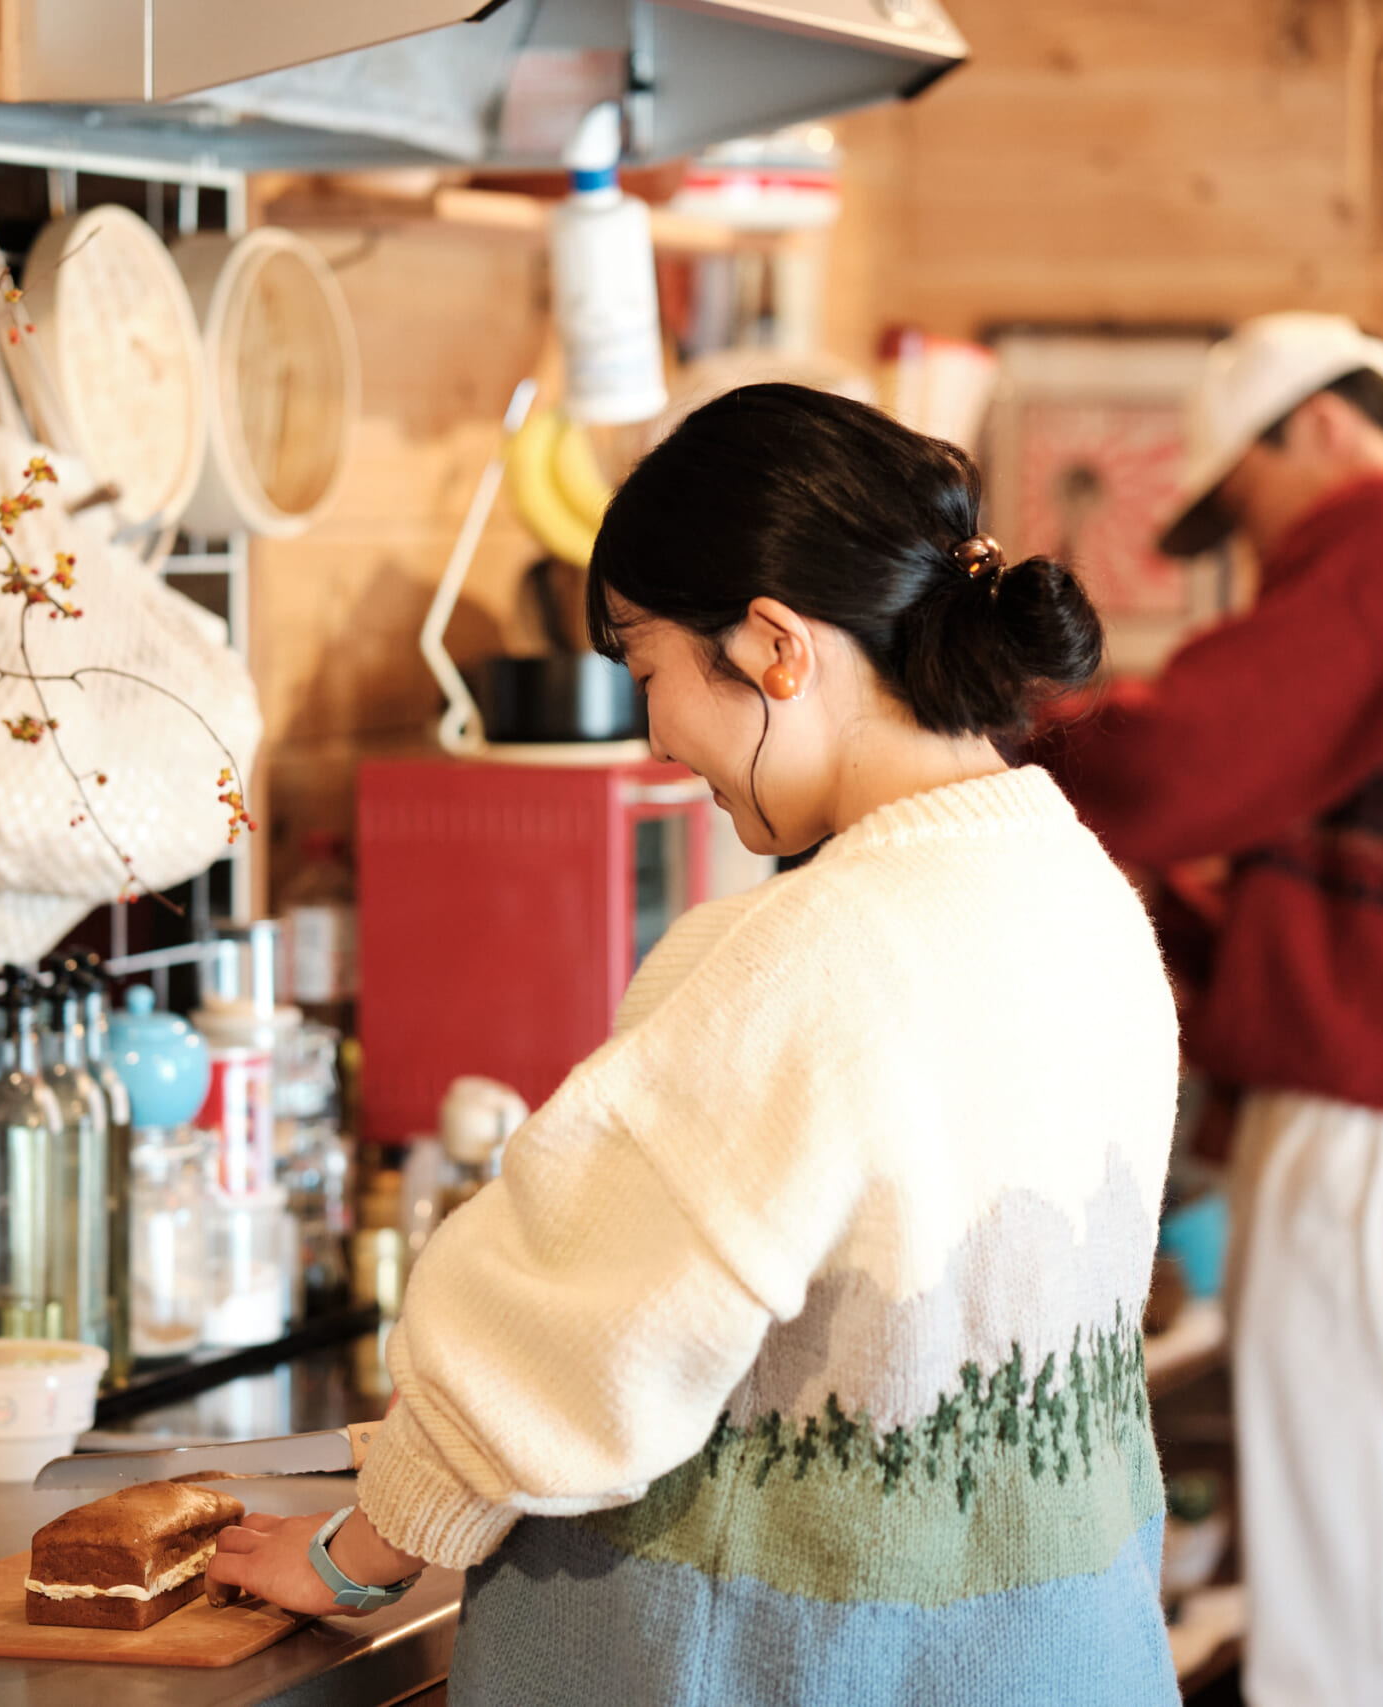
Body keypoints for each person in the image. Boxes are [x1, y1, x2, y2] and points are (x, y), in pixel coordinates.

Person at [207, 384, 1184, 1705]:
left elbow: (560, 1350)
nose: (658, 737)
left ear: (776, 647)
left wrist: (350, 1554)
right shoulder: (1082, 895)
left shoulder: (810, 962)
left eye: (653, 671)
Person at [1033, 312, 1383, 1707]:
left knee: (1358, 1616)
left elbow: (1180, 764)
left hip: (1377, 1139)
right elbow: (1291, 871)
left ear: (1323, 428)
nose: (1254, 552)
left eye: (1247, 501)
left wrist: (994, 731)